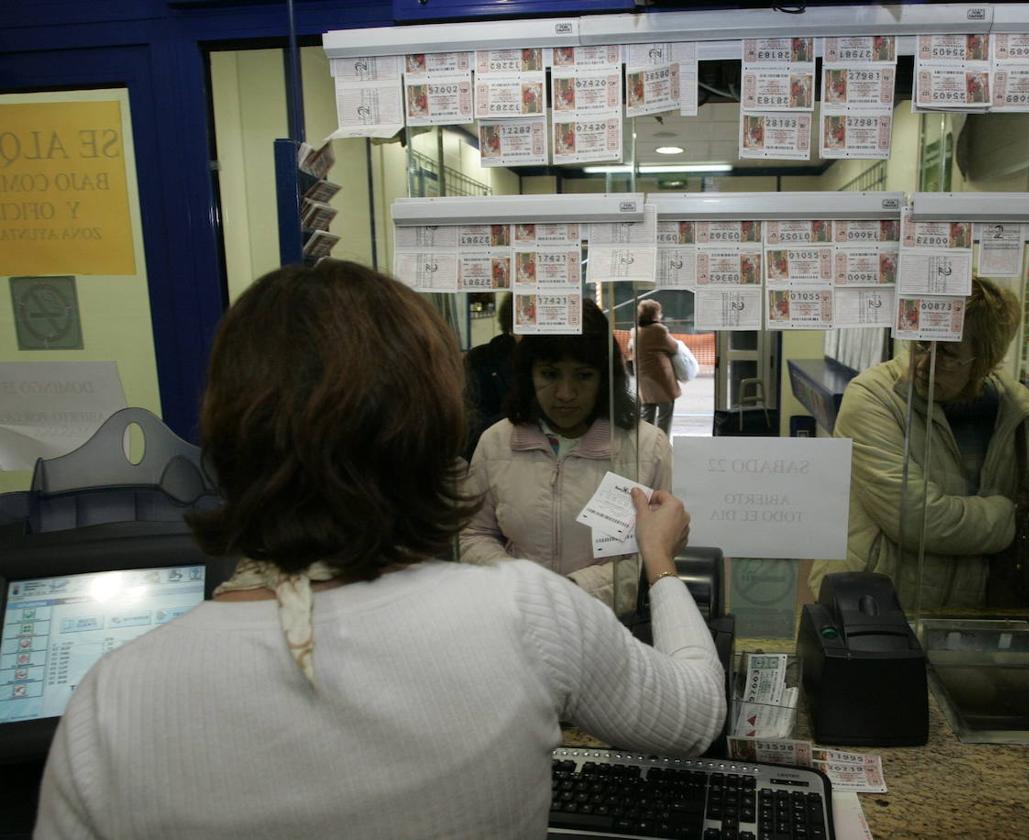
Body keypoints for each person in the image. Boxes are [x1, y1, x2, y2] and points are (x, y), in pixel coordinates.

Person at [35, 261, 724, 839]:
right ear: (431, 427)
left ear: (224, 433)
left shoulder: (108, 704)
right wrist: (660, 561)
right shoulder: (526, 614)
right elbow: (694, 715)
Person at [809, 277, 1029, 609]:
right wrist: (1014, 516)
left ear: (985, 362)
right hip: (873, 603)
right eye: (920, 343)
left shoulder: (1009, 404)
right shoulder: (874, 398)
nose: (924, 364)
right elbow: (916, 518)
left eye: (947, 353)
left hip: (968, 610)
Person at [461, 298, 672, 607]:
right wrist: (520, 583)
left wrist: (572, 591)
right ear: (528, 375)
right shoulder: (496, 442)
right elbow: (473, 533)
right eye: (549, 374)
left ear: (605, 379)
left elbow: (653, 550)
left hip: (607, 625)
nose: (565, 393)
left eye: (584, 376)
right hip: (517, 615)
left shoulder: (646, 447)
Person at [463, 293, 516, 459]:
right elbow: (470, 425)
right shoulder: (483, 360)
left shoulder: (558, 363)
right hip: (494, 455)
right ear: (510, 329)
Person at [632, 298, 683, 435]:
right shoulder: (658, 330)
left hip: (644, 377)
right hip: (661, 378)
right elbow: (674, 347)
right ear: (655, 314)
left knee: (648, 412)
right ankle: (662, 442)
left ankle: (646, 442)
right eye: (659, 312)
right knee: (665, 412)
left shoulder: (636, 331)